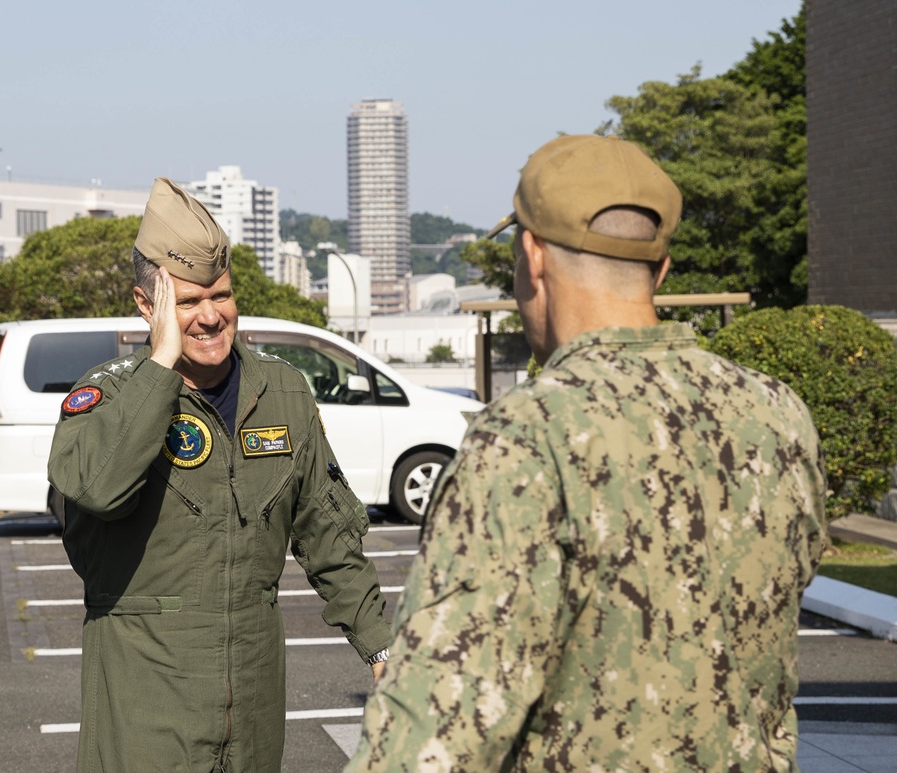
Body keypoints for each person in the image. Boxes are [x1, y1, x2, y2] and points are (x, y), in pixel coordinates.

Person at [346, 135, 828, 771]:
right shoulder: (778, 415)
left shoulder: (529, 433)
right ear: (659, 269)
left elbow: (435, 732)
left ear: (532, 256)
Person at [48, 177, 391, 773]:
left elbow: (329, 535)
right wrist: (160, 364)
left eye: (222, 296)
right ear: (145, 304)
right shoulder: (106, 396)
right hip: (145, 697)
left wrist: (381, 646)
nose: (210, 317)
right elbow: (99, 488)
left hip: (254, 695)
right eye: (186, 303)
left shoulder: (281, 391)